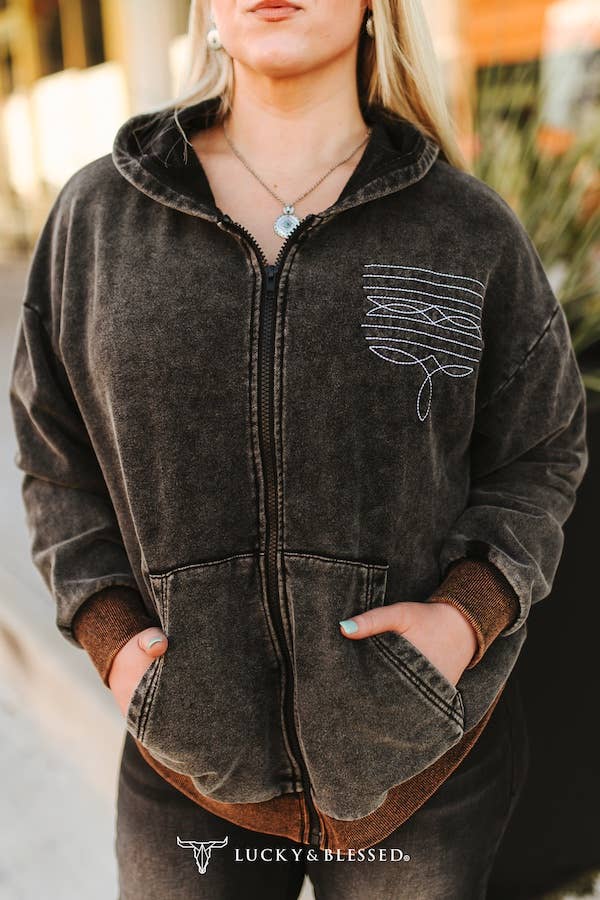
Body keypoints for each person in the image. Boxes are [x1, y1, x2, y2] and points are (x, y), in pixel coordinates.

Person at [8, 0, 588, 897]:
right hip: (187, 766)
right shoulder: (102, 217)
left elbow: (540, 451)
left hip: (416, 763)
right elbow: (56, 454)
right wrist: (115, 640)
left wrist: (463, 618)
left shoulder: (463, 229)